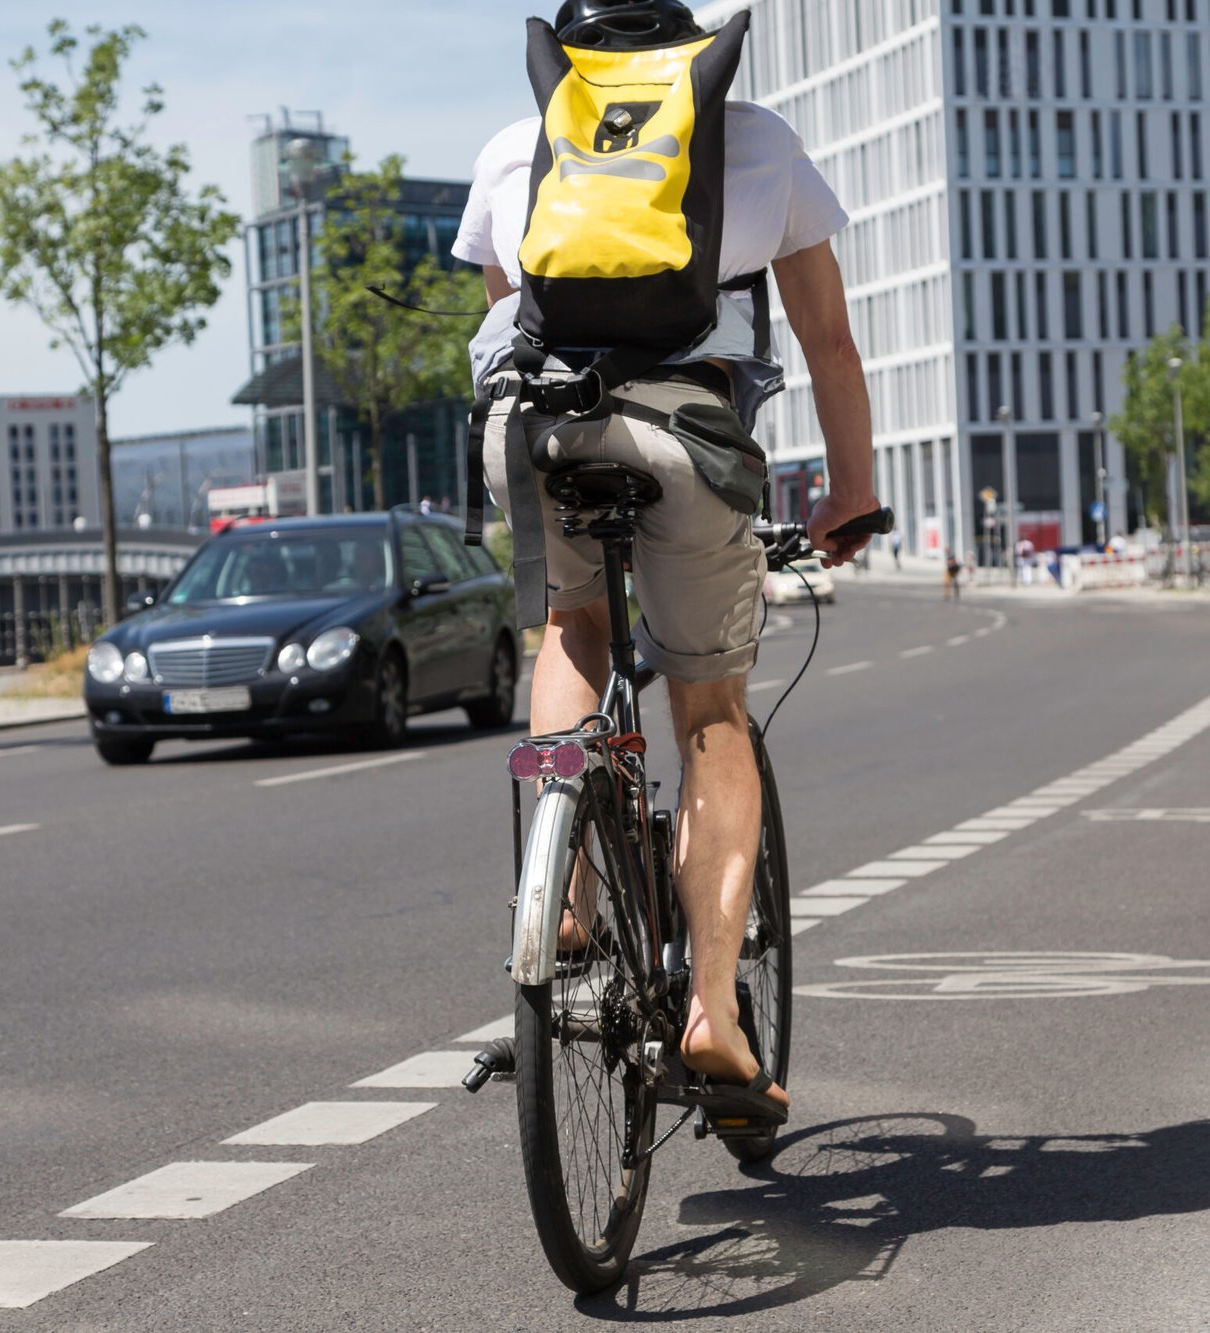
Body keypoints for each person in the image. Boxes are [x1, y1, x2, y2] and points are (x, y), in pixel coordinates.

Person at [455, 0, 880, 1119]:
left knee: (571, 626)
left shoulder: (517, 147)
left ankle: (562, 887)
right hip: (685, 443)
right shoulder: (754, 140)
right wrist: (851, 493)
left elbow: (514, 324)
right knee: (708, 717)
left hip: (535, 431)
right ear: (685, 50)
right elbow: (827, 341)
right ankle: (709, 1010)